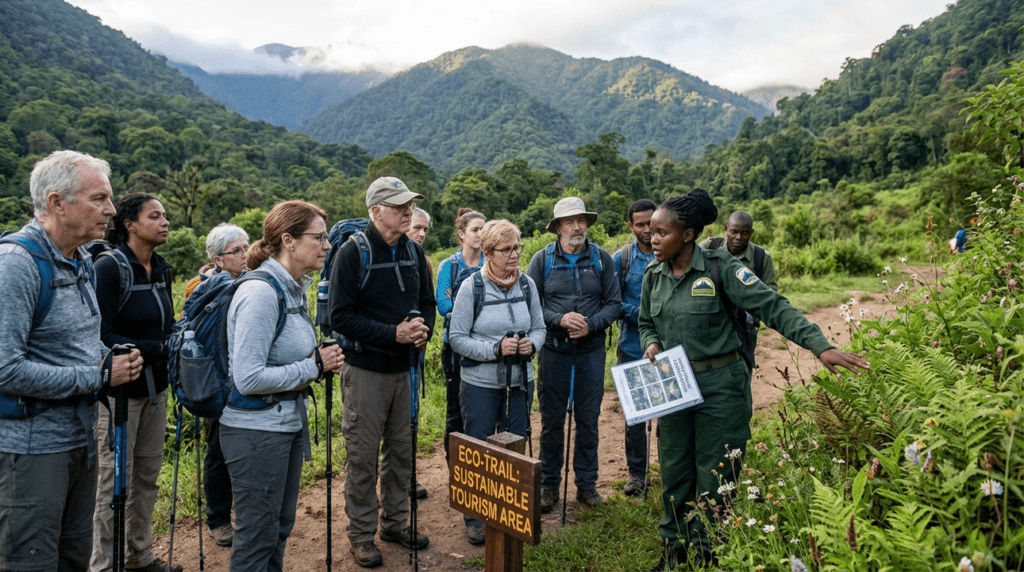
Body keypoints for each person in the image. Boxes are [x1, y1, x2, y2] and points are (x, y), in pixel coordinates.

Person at [638, 189, 870, 570]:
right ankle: (675, 551)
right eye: (650, 231)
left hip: (721, 387)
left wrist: (819, 346)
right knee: (675, 472)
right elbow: (646, 322)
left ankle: (710, 551)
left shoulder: (721, 267)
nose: (653, 238)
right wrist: (651, 344)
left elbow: (772, 305)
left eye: (662, 232)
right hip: (674, 386)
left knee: (716, 475)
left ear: (689, 234)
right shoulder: (654, 276)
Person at [0, 150, 142, 572]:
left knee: (73, 557)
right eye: (99, 198)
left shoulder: (80, 258)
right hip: (29, 451)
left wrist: (107, 357)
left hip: (78, 440)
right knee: (30, 561)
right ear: (58, 203)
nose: (111, 210)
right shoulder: (17, 267)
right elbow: (5, 368)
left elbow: (78, 342)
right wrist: (99, 374)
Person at [220, 200, 344, 571]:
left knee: (277, 529)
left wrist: (312, 361)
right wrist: (312, 366)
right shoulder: (260, 293)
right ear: (288, 240)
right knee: (257, 537)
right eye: (319, 237)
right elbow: (248, 377)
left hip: (283, 425)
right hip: (256, 432)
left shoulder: (291, 288)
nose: (327, 245)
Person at [328, 176, 435, 568]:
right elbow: (340, 317)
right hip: (366, 372)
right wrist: (394, 334)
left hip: (405, 370)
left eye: (410, 204)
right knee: (363, 457)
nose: (408, 211)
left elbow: (427, 302)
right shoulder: (352, 254)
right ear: (376, 211)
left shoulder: (412, 252)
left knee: (402, 452)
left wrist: (424, 331)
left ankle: (395, 522)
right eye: (399, 205)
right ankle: (360, 535)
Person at [90, 193, 177, 572]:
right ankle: (104, 565)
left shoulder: (162, 269)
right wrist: (158, 348)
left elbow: (169, 326)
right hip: (118, 398)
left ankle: (140, 555)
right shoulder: (109, 268)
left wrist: (171, 345)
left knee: (146, 477)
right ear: (130, 225)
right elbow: (99, 333)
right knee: (110, 485)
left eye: (164, 216)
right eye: (154, 216)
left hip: (155, 390)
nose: (165, 222)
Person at [449, 220, 545, 545]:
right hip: (479, 383)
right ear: (488, 252)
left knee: (515, 444)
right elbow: (457, 338)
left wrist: (532, 343)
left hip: (519, 381)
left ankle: (512, 512)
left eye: (517, 247)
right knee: (478, 447)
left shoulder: (527, 285)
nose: (515, 254)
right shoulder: (471, 287)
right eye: (507, 249)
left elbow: (540, 328)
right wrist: (494, 349)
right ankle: (476, 518)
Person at [526, 196, 621, 513]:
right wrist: (560, 320)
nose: (577, 226)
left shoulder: (602, 259)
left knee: (589, 420)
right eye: (569, 221)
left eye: (581, 220)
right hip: (554, 352)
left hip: (591, 353)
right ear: (557, 228)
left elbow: (614, 303)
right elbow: (533, 305)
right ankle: (549, 487)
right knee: (551, 422)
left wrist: (591, 325)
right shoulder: (541, 261)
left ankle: (587, 486)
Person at [181, 223, 250, 548]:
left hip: (246, 380)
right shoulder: (206, 288)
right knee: (219, 452)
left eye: (246, 246)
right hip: (220, 383)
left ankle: (243, 513)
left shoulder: (248, 282)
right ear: (218, 259)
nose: (245, 254)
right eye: (236, 251)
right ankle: (219, 519)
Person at [612, 199, 657, 498]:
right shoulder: (622, 258)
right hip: (632, 347)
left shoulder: (671, 251)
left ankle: (674, 468)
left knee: (673, 413)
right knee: (636, 416)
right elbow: (613, 302)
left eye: (650, 224)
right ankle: (637, 475)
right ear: (630, 226)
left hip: (669, 348)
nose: (645, 230)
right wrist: (643, 312)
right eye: (639, 225)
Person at [435, 208, 486, 462]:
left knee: (483, 407)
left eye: (483, 229)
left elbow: (451, 305)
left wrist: (459, 306)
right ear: (461, 234)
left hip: (486, 346)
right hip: (455, 347)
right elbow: (443, 306)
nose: (480, 234)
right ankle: (456, 467)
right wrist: (478, 313)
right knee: (455, 409)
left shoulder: (492, 263)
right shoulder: (448, 266)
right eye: (475, 230)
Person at [699, 210, 778, 356]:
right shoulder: (708, 247)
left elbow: (770, 292)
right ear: (725, 229)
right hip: (710, 322)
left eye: (744, 233)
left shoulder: (761, 257)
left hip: (744, 326)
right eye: (734, 232)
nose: (738, 237)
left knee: (743, 367)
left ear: (751, 233)